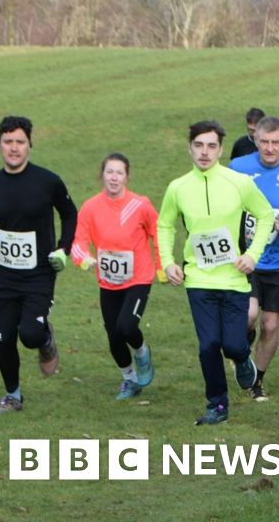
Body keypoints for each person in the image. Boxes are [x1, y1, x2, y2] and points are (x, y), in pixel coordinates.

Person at [157, 120, 275, 425]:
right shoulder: (178, 188)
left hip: (234, 280)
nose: (204, 152)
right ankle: (218, 404)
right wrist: (168, 261)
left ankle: (241, 357)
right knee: (208, 344)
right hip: (198, 279)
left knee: (233, 344)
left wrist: (252, 255)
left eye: (211, 146)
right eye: (198, 145)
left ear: (220, 149)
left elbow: (264, 215)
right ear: (190, 148)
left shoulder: (239, 183)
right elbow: (165, 224)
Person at [0, 116, 77, 415]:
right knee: (4, 335)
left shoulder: (48, 181)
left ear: (30, 145)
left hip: (38, 274)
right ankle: (13, 396)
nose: (14, 148)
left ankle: (46, 338)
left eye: (20, 142)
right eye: (8, 141)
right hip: (3, 274)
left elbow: (69, 213)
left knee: (30, 335)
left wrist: (63, 248)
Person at [229, 116, 279, 401]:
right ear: (256, 140)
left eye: (276, 143)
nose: (270, 148)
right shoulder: (238, 168)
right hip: (248, 258)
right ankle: (242, 352)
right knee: (249, 316)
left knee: (271, 324)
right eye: (264, 142)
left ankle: (256, 380)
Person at [71, 153, 160, 400]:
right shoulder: (90, 207)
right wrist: (84, 259)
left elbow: (158, 233)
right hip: (108, 281)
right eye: (109, 172)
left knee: (126, 326)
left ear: (127, 177)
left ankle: (142, 352)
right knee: (113, 335)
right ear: (102, 175)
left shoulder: (140, 205)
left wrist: (162, 267)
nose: (114, 177)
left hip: (138, 278)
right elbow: (78, 242)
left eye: (119, 172)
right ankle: (129, 379)